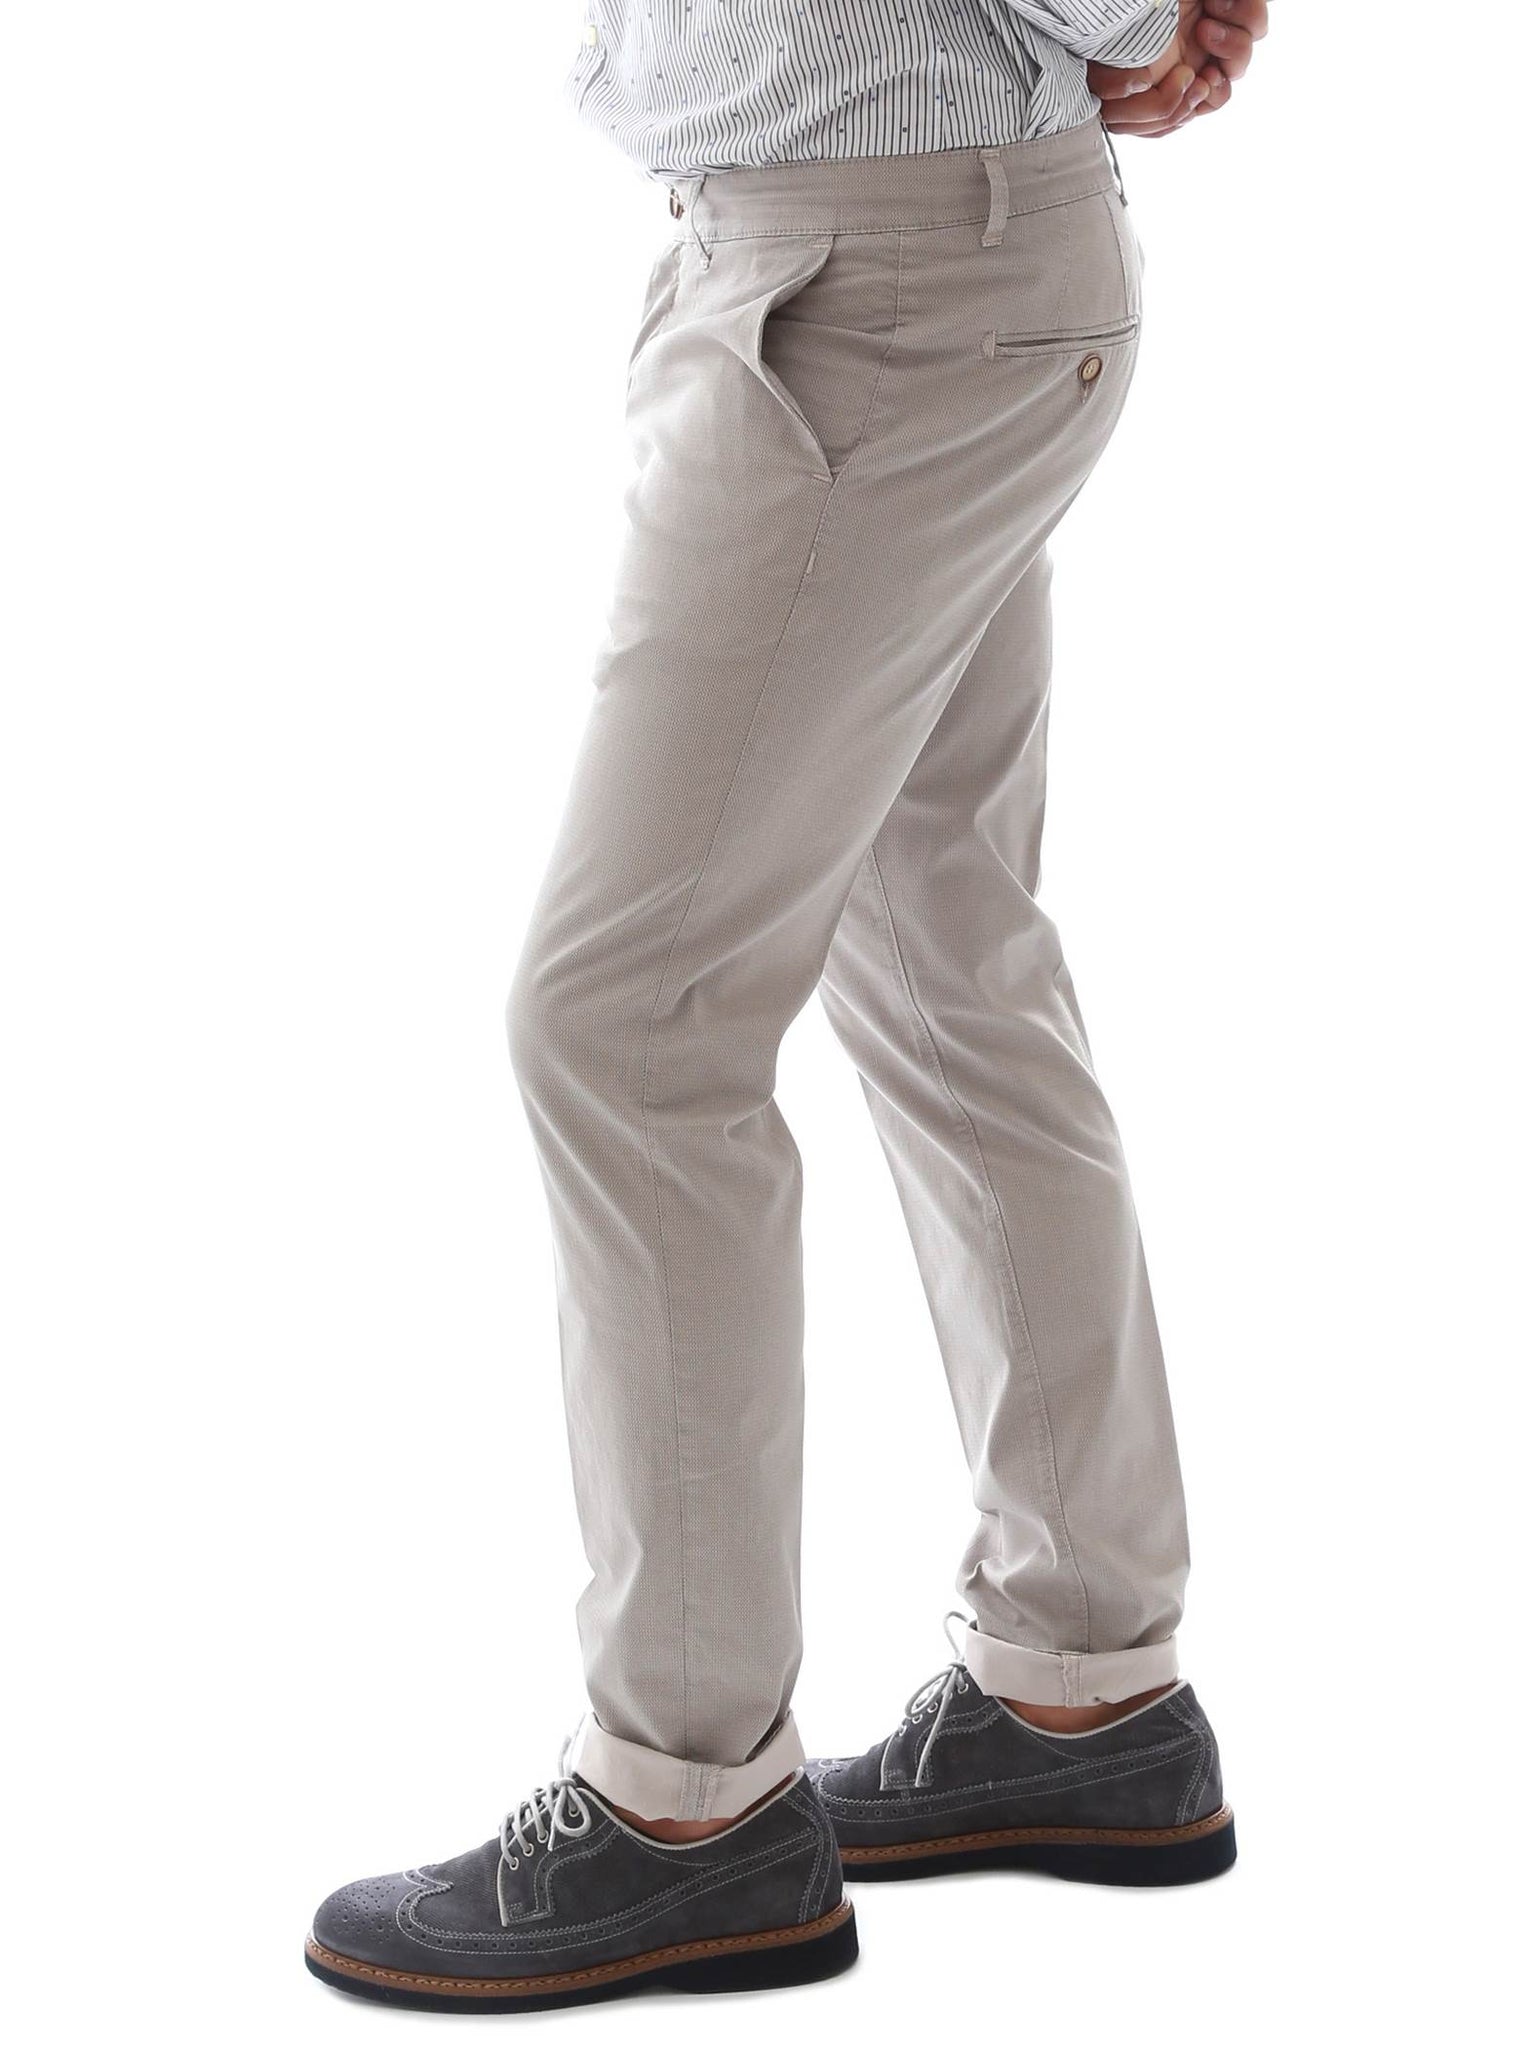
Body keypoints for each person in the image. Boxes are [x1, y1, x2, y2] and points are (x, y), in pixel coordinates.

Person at [306, 0, 1268, 2015]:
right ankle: (1084, 1684)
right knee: (943, 954)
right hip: (901, 263)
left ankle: (685, 1802)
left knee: (624, 1020)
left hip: (881, 298)